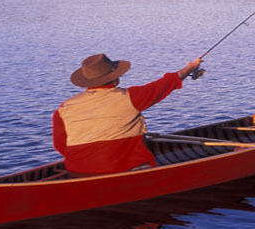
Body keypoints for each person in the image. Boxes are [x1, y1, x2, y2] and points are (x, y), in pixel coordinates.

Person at [52, 53, 203, 175]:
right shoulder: (130, 97)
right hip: (122, 168)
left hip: (77, 170)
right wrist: (190, 68)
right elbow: (165, 84)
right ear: (115, 77)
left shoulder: (64, 108)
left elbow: (60, 146)